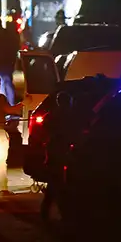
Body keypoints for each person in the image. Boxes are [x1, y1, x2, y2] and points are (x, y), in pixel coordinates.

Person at [41, 91, 76, 221]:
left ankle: (47, 211)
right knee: (59, 183)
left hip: (53, 150)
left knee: (54, 181)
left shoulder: (52, 115)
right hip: (62, 151)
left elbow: (45, 127)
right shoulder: (69, 116)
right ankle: (63, 213)